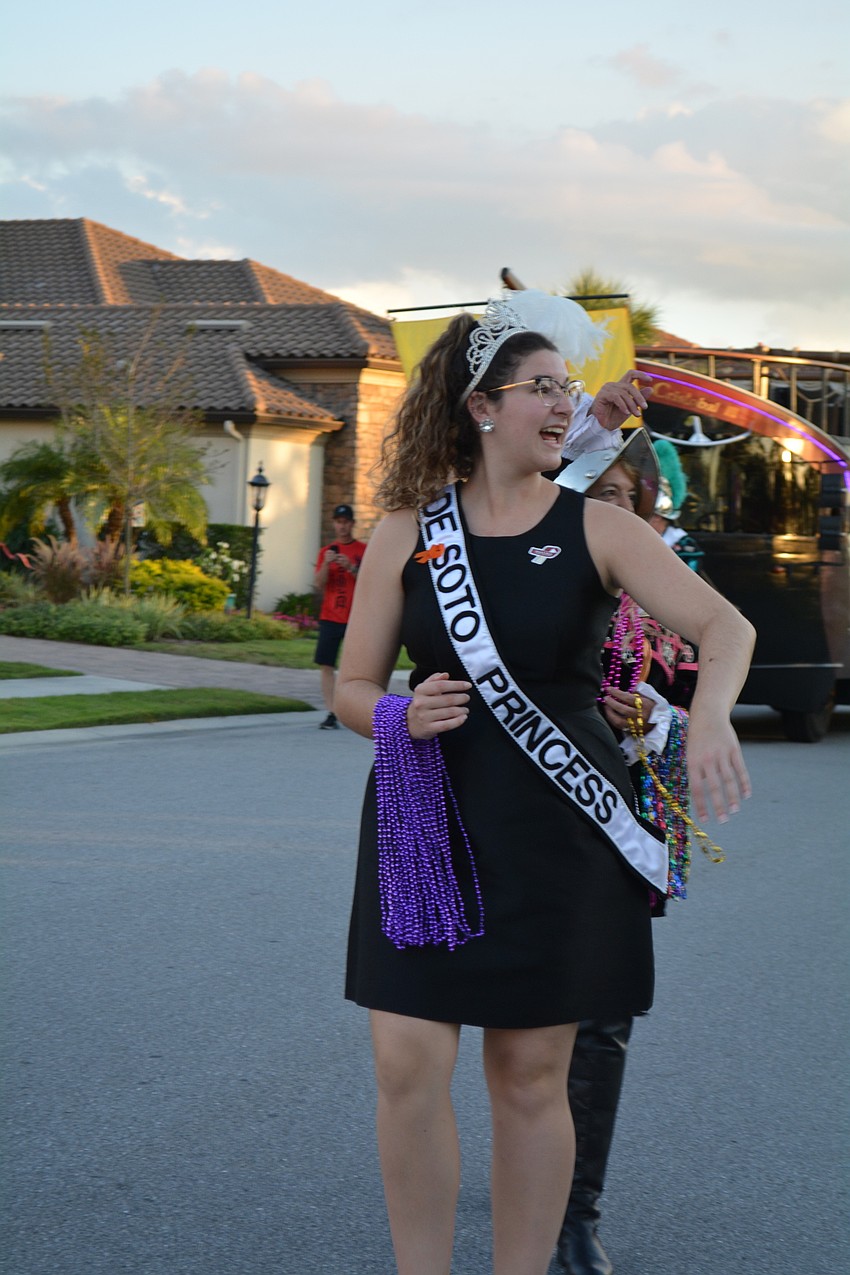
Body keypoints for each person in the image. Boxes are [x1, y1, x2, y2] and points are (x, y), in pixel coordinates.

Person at [335, 290, 755, 1275]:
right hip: (425, 825)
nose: (564, 404)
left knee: (529, 1075)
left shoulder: (598, 531)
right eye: (542, 388)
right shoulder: (406, 534)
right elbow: (351, 687)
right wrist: (395, 714)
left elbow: (724, 628)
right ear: (483, 405)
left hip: (558, 838)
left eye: (568, 388)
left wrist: (708, 719)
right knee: (405, 1060)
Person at [554, 432, 701, 1275]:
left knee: (600, 1020)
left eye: (616, 492)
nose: (600, 505)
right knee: (523, 1019)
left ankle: (577, 1212)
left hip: (619, 822)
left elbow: (697, 683)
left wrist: (651, 715)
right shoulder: (519, 567)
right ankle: (530, 1154)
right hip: (520, 815)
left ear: (645, 502)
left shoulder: (663, 583)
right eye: (586, 488)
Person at [313, 503, 366, 729]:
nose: (341, 526)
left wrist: (352, 569)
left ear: (352, 524)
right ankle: (331, 712)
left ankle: (358, 711)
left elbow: (372, 583)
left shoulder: (363, 551)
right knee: (326, 664)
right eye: (338, 522)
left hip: (356, 618)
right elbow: (318, 584)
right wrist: (327, 564)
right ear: (334, 523)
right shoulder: (326, 552)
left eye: (345, 522)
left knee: (357, 667)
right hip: (330, 616)